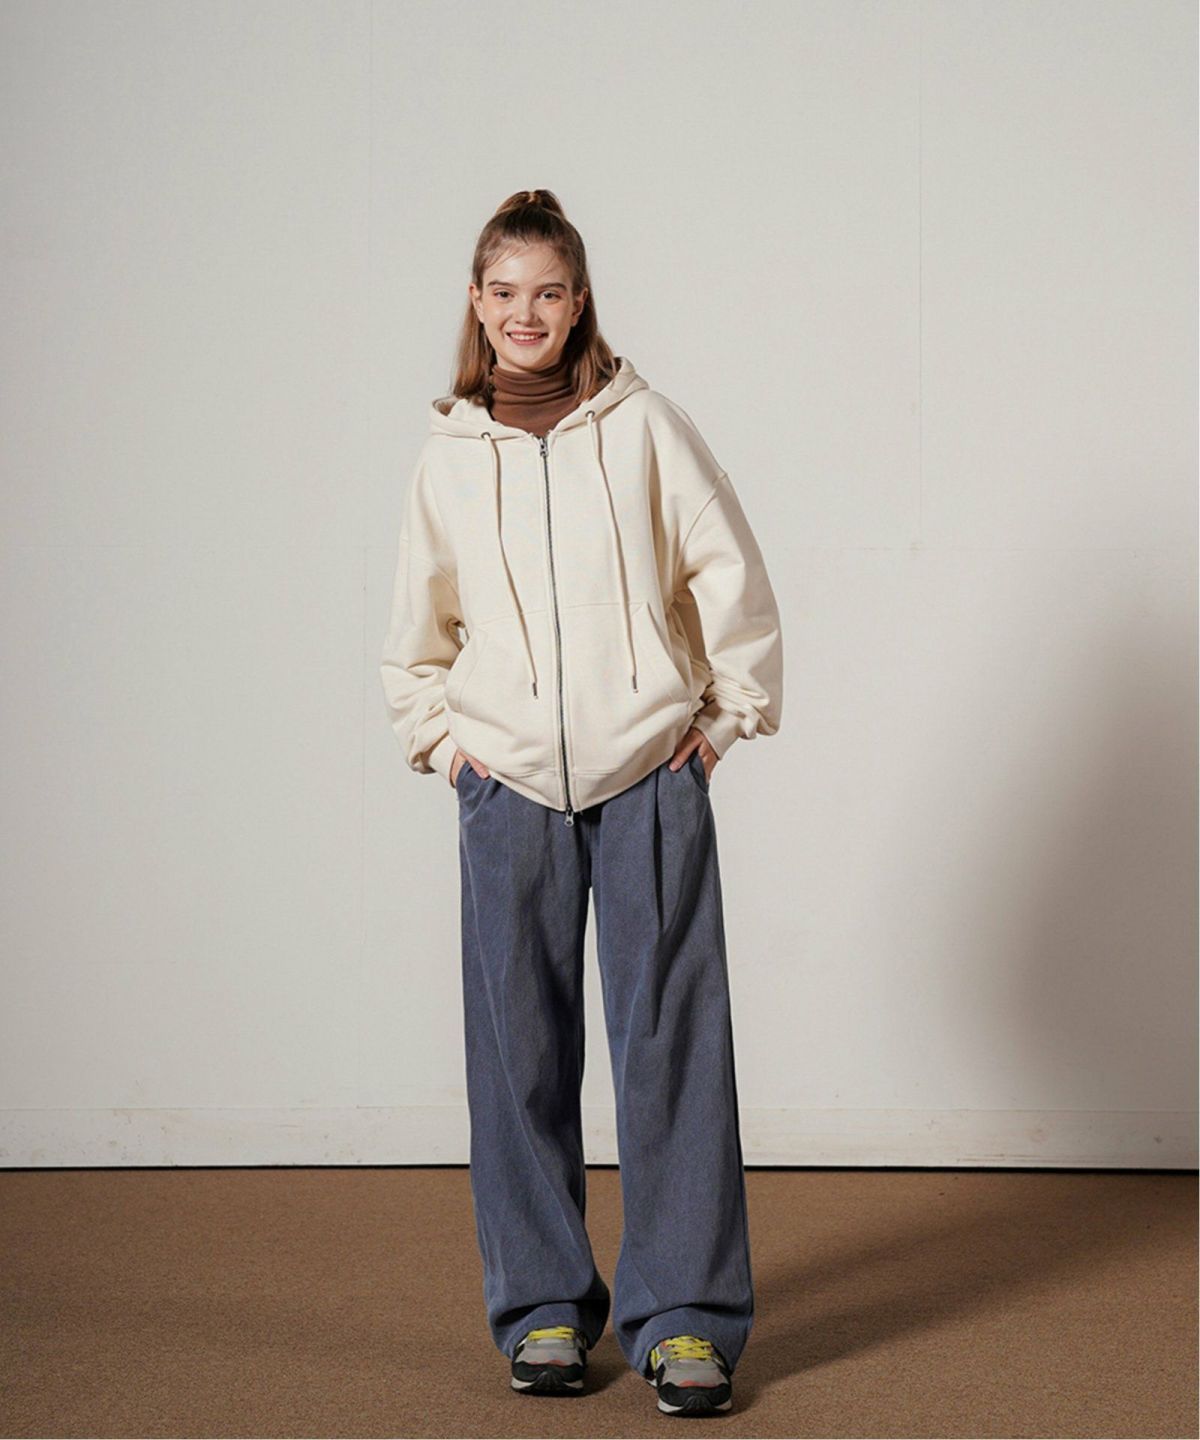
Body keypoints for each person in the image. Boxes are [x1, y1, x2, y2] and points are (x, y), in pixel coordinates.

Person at [380, 188, 783, 1418]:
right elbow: (417, 636)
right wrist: (450, 749)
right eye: (504, 292)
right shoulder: (449, 457)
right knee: (519, 1056)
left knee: (673, 1050)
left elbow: (731, 573)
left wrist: (718, 726)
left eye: (547, 291)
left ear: (579, 299)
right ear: (476, 302)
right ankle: (544, 1307)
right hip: (506, 788)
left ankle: (687, 1319)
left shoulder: (645, 426)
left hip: (648, 777)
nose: (525, 313)